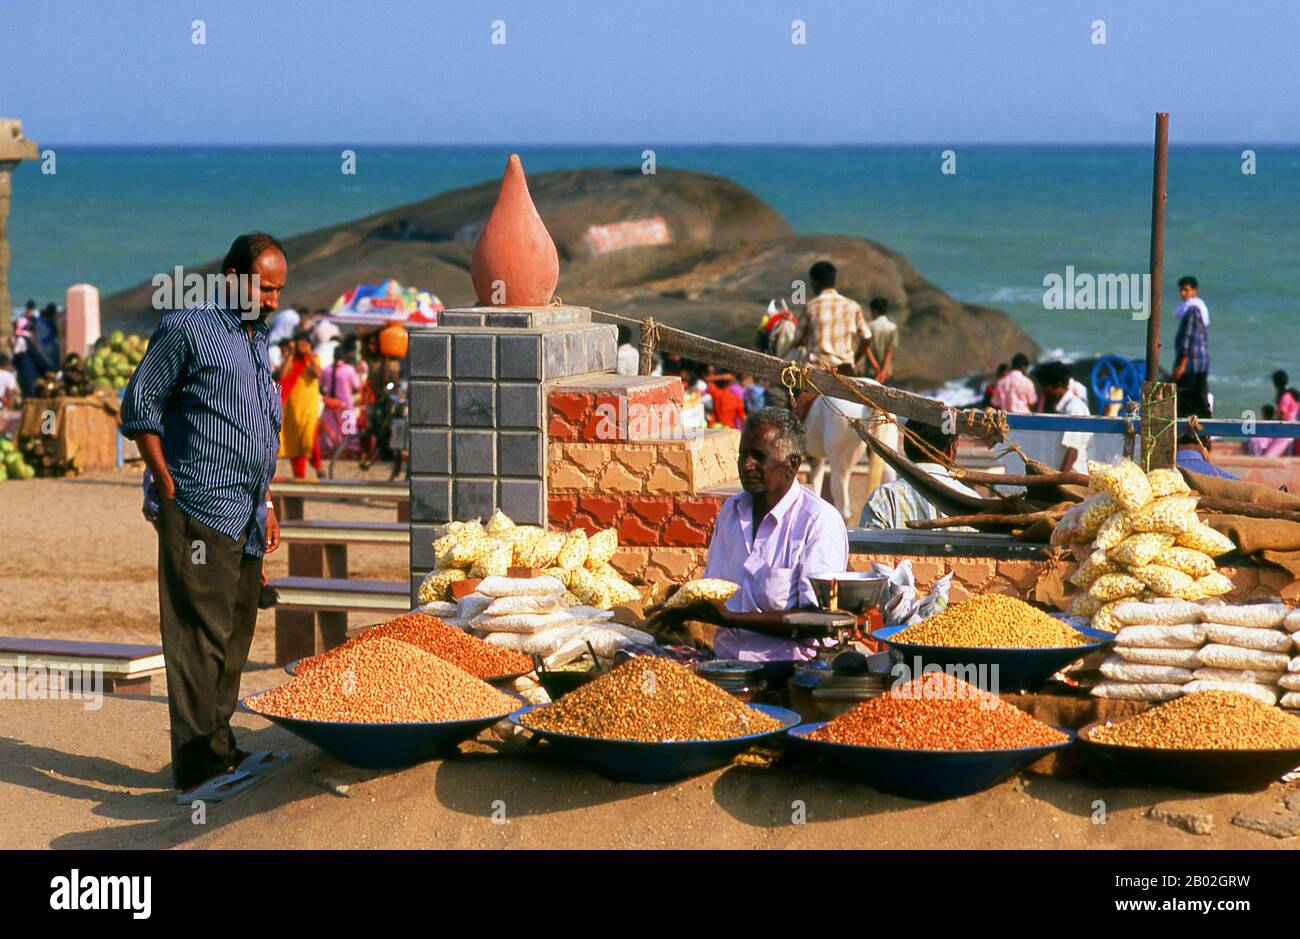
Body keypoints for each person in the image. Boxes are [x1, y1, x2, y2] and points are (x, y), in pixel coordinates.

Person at [119, 231, 288, 803]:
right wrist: (166, 487)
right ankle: (195, 772)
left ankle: (222, 748)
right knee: (196, 638)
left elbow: (259, 423)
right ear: (234, 279)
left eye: (279, 290)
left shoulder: (255, 338)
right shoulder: (188, 328)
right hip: (197, 507)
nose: (272, 299)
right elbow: (140, 406)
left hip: (245, 514)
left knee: (233, 633)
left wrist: (266, 503)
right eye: (265, 287)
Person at [654, 407, 849, 662]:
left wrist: (730, 619)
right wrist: (683, 609)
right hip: (724, 665)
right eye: (743, 455)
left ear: (792, 465)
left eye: (759, 456)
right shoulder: (731, 511)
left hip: (789, 672)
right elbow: (712, 589)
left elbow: (819, 621)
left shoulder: (818, 522)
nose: (747, 465)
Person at [858, 419, 980, 529]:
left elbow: (866, 550)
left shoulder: (884, 498)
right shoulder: (973, 501)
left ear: (907, 448)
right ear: (950, 450)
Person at [792, 260, 870, 373]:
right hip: (846, 369)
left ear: (816, 282)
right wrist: (854, 360)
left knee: (794, 386)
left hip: (817, 370)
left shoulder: (811, 307)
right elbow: (867, 338)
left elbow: (796, 340)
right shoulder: (853, 306)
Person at [1032, 361, 1092, 472]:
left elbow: (1072, 450)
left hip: (1072, 475)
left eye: (1045, 387)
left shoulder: (1074, 409)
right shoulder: (1061, 408)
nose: (1043, 391)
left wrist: (1059, 481)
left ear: (1058, 385)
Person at [279, 329, 323, 478]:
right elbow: (282, 376)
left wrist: (309, 354)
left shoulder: (313, 358)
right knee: (294, 442)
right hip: (291, 408)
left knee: (309, 439)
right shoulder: (292, 360)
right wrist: (290, 355)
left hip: (309, 407)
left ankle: (318, 468)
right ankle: (299, 475)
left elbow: (317, 374)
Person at [1172, 275, 1211, 418]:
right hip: (1201, 362)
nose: (1183, 293)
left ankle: (1187, 435)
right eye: (1181, 290)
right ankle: (1205, 433)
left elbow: (1188, 338)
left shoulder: (1192, 310)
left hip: (1191, 364)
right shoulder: (1200, 308)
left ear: (1194, 291)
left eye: (1186, 290)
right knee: (1200, 398)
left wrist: (1181, 364)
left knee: (1185, 397)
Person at [318, 335, 363, 459]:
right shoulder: (349, 370)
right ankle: (348, 454)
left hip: (330, 405)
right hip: (345, 406)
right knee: (348, 430)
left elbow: (321, 387)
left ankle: (330, 453)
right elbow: (356, 386)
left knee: (329, 431)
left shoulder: (326, 370)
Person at [858, 297, 898, 383]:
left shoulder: (868, 326)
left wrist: (878, 370)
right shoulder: (893, 327)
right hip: (887, 374)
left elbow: (867, 349)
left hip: (872, 373)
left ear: (875, 311)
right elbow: (889, 352)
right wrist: (884, 372)